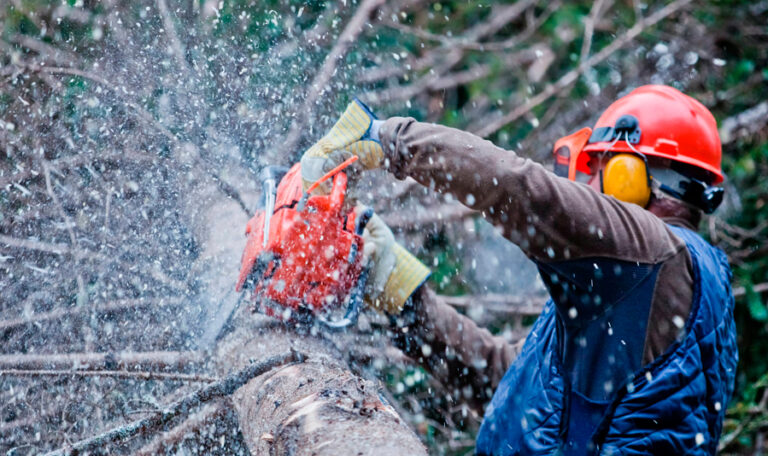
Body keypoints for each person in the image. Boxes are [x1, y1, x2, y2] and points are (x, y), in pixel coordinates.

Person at [299, 85, 738, 455]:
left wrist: (388, 138)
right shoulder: (652, 283)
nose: (588, 187)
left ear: (631, 176)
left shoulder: (651, 253)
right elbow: (518, 388)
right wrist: (405, 297)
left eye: (599, 170)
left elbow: (524, 191)